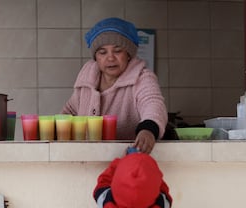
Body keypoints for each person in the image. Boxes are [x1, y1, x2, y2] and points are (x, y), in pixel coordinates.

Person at [62, 17, 168, 154]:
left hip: (128, 158)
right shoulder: (87, 79)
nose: (110, 58)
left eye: (117, 51)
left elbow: (153, 104)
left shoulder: (142, 78)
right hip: (88, 158)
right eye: (102, 52)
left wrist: (148, 129)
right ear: (96, 57)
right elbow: (70, 110)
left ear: (128, 54)